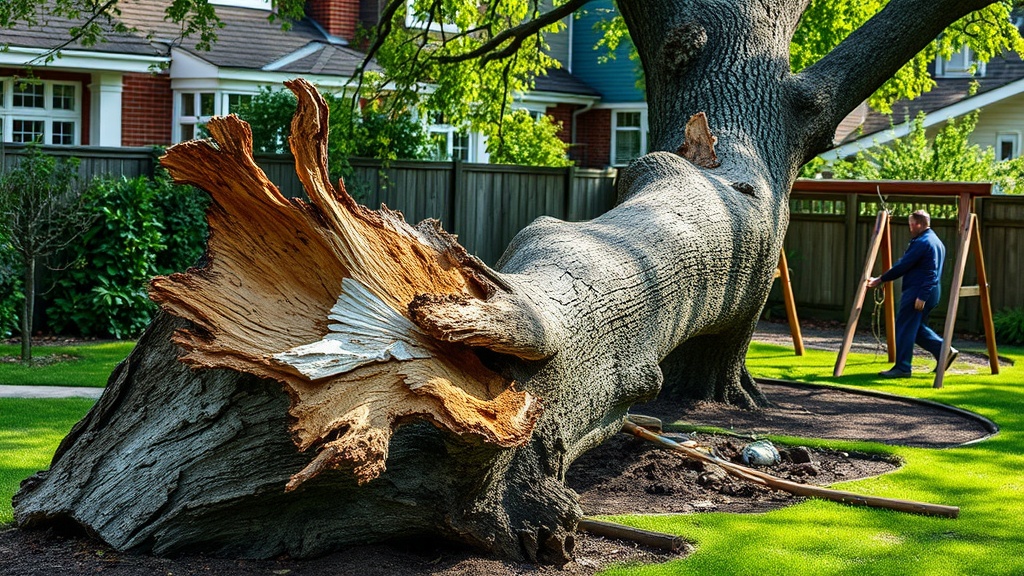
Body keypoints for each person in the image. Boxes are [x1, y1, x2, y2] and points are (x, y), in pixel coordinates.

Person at [867, 210, 958, 378]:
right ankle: (944, 350)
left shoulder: (923, 242)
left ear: (919, 224)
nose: (910, 228)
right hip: (931, 292)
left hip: (919, 291)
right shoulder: (936, 241)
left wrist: (880, 279)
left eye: (911, 224)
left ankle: (902, 368)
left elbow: (906, 266)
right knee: (914, 328)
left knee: (904, 327)